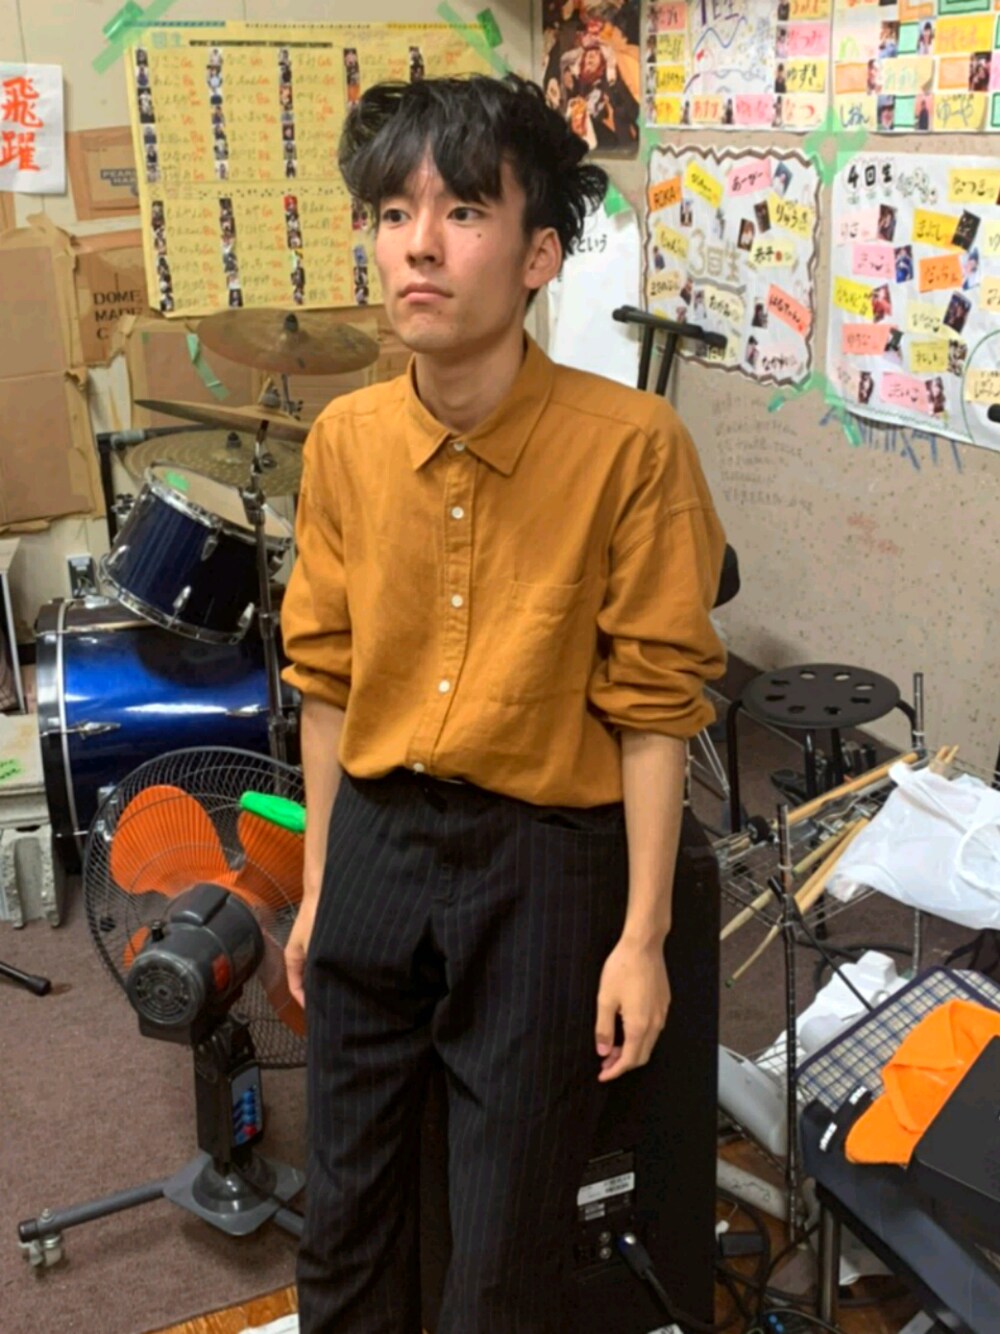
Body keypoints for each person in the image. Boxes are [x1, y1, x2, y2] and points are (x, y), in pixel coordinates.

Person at [281, 73, 725, 1334]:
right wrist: (318, 884)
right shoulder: (345, 441)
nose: (418, 245)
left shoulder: (632, 446)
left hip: (543, 858)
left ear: (538, 255)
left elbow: (655, 707)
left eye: (464, 211)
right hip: (375, 837)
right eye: (393, 213)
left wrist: (641, 937)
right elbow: (324, 681)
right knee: (343, 1217)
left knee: (503, 1248)